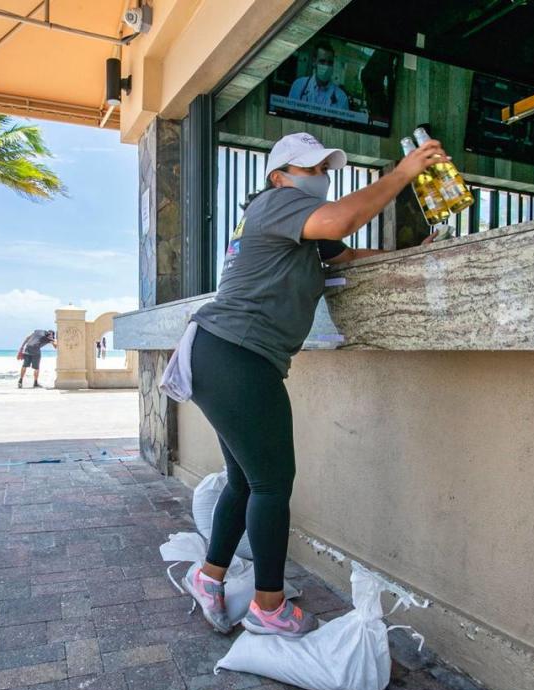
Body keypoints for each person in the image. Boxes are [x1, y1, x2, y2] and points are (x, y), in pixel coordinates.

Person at [182, 131, 449, 637]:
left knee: (246, 480)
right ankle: (269, 606)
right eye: (310, 169)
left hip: (222, 355)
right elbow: (342, 218)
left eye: (325, 169)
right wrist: (402, 173)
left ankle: (209, 577)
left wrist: (413, 253)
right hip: (236, 356)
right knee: (271, 483)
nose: (321, 178)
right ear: (279, 177)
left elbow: (344, 258)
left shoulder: (299, 230)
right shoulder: (273, 204)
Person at [288, 42, 350, 110]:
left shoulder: (341, 97)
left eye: (330, 62)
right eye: (322, 61)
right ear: (314, 62)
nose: (326, 66)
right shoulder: (299, 85)